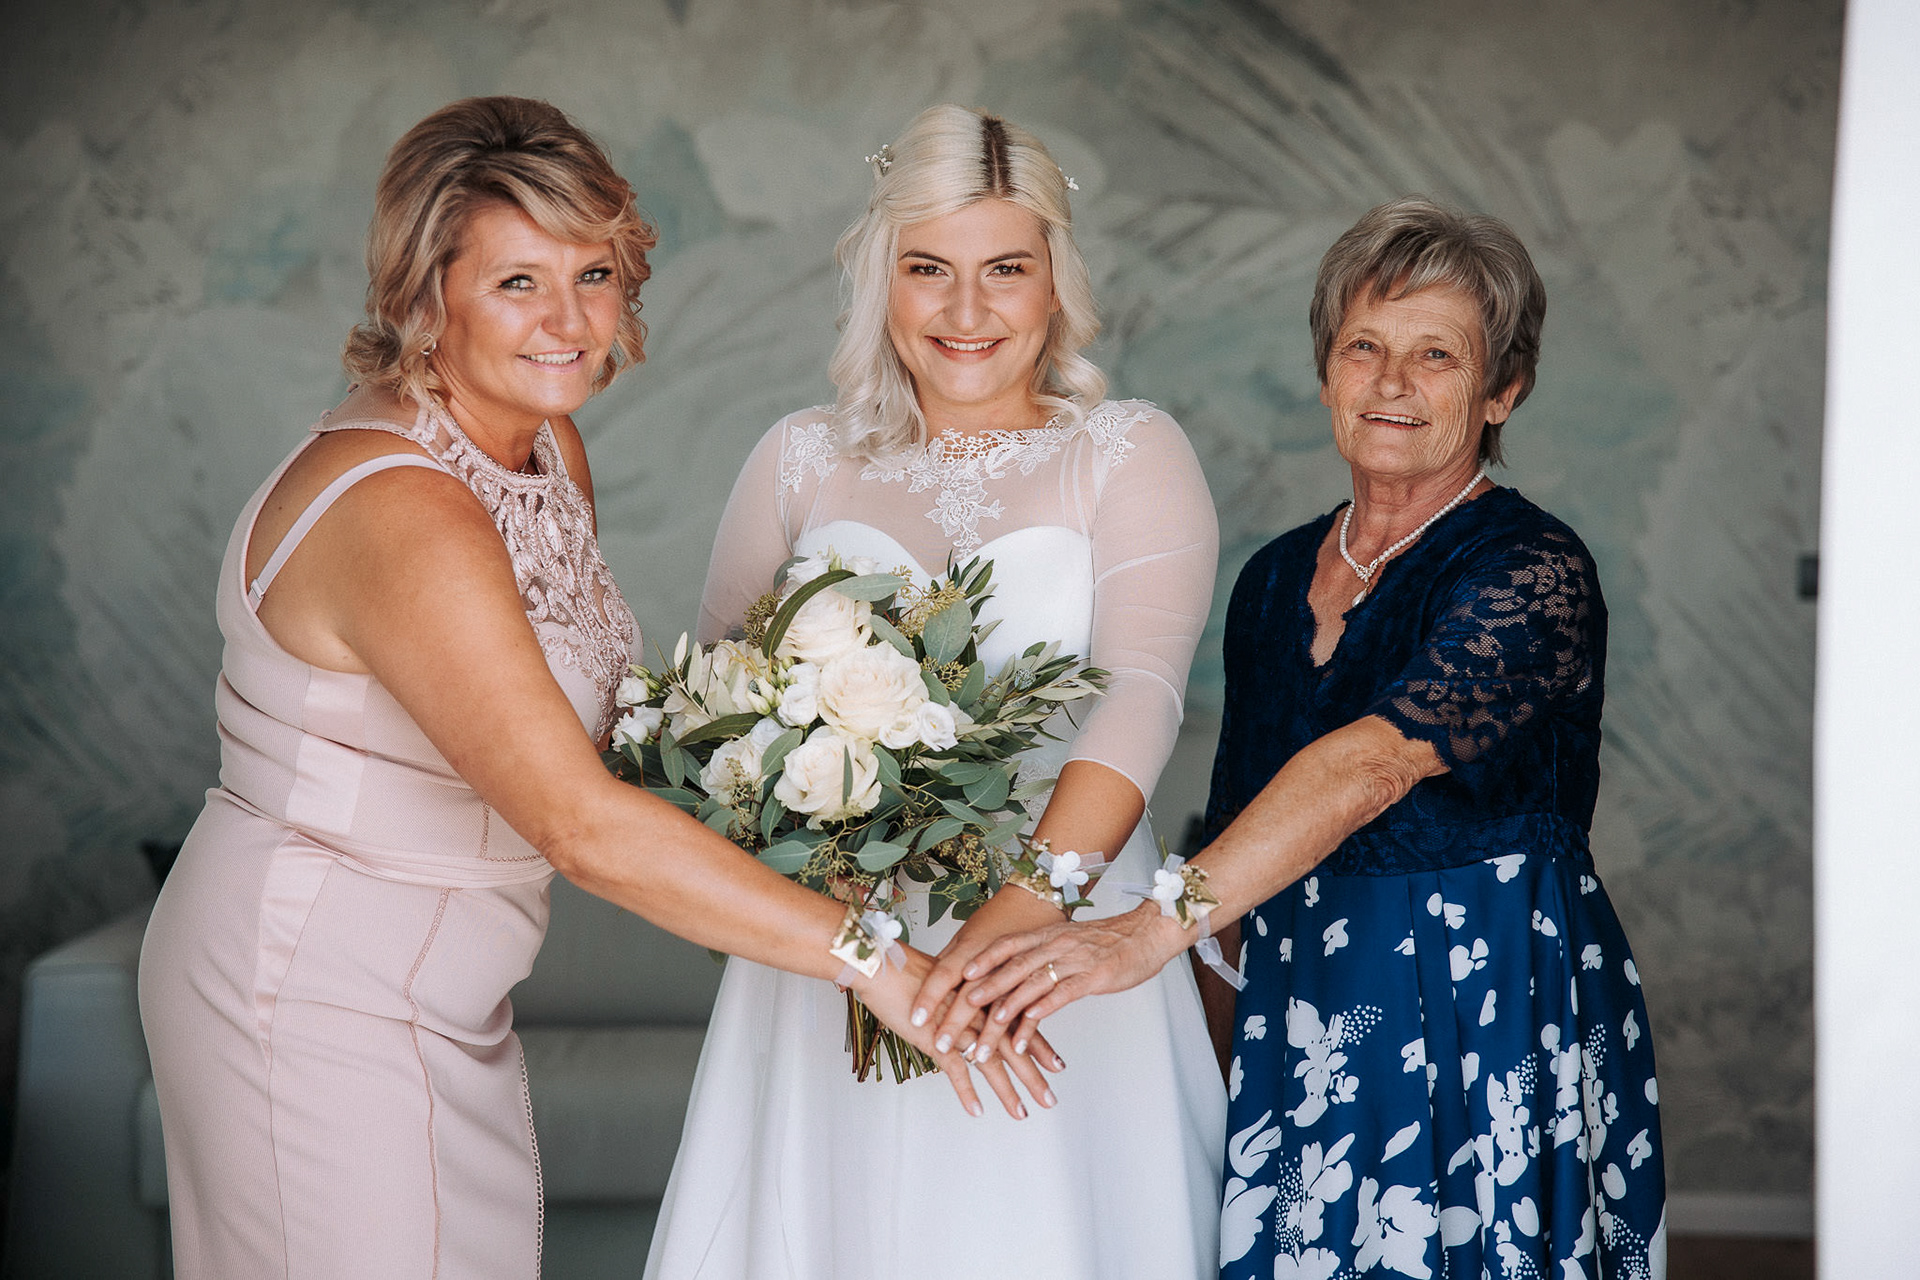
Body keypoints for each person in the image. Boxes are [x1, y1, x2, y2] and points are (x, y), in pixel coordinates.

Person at [136, 96, 1014, 1279]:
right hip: (315, 990)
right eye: (517, 282)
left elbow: (599, 740)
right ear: (425, 294)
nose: (569, 321)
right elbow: (578, 821)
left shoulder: (544, 448)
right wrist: (877, 960)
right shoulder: (405, 508)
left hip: (452, 991)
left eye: (593, 274)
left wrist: (822, 791)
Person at [947, 197, 1669, 1279]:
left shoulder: (1532, 568)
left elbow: (1373, 765)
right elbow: (1234, 826)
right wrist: (1205, 1054)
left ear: (1502, 390)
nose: (1391, 382)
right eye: (1363, 346)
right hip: (1303, 1010)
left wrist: (1143, 932)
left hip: (1487, 1007)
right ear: (1327, 373)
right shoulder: (1275, 576)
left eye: (1437, 355)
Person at [643, 104, 1226, 1279]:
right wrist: (852, 925)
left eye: (1005, 268)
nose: (968, 310)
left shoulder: (1127, 451)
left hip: (1052, 952)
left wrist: (1013, 921)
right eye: (929, 269)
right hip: (834, 951)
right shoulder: (799, 456)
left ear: (1055, 281)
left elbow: (1141, 697)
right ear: (882, 279)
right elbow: (707, 718)